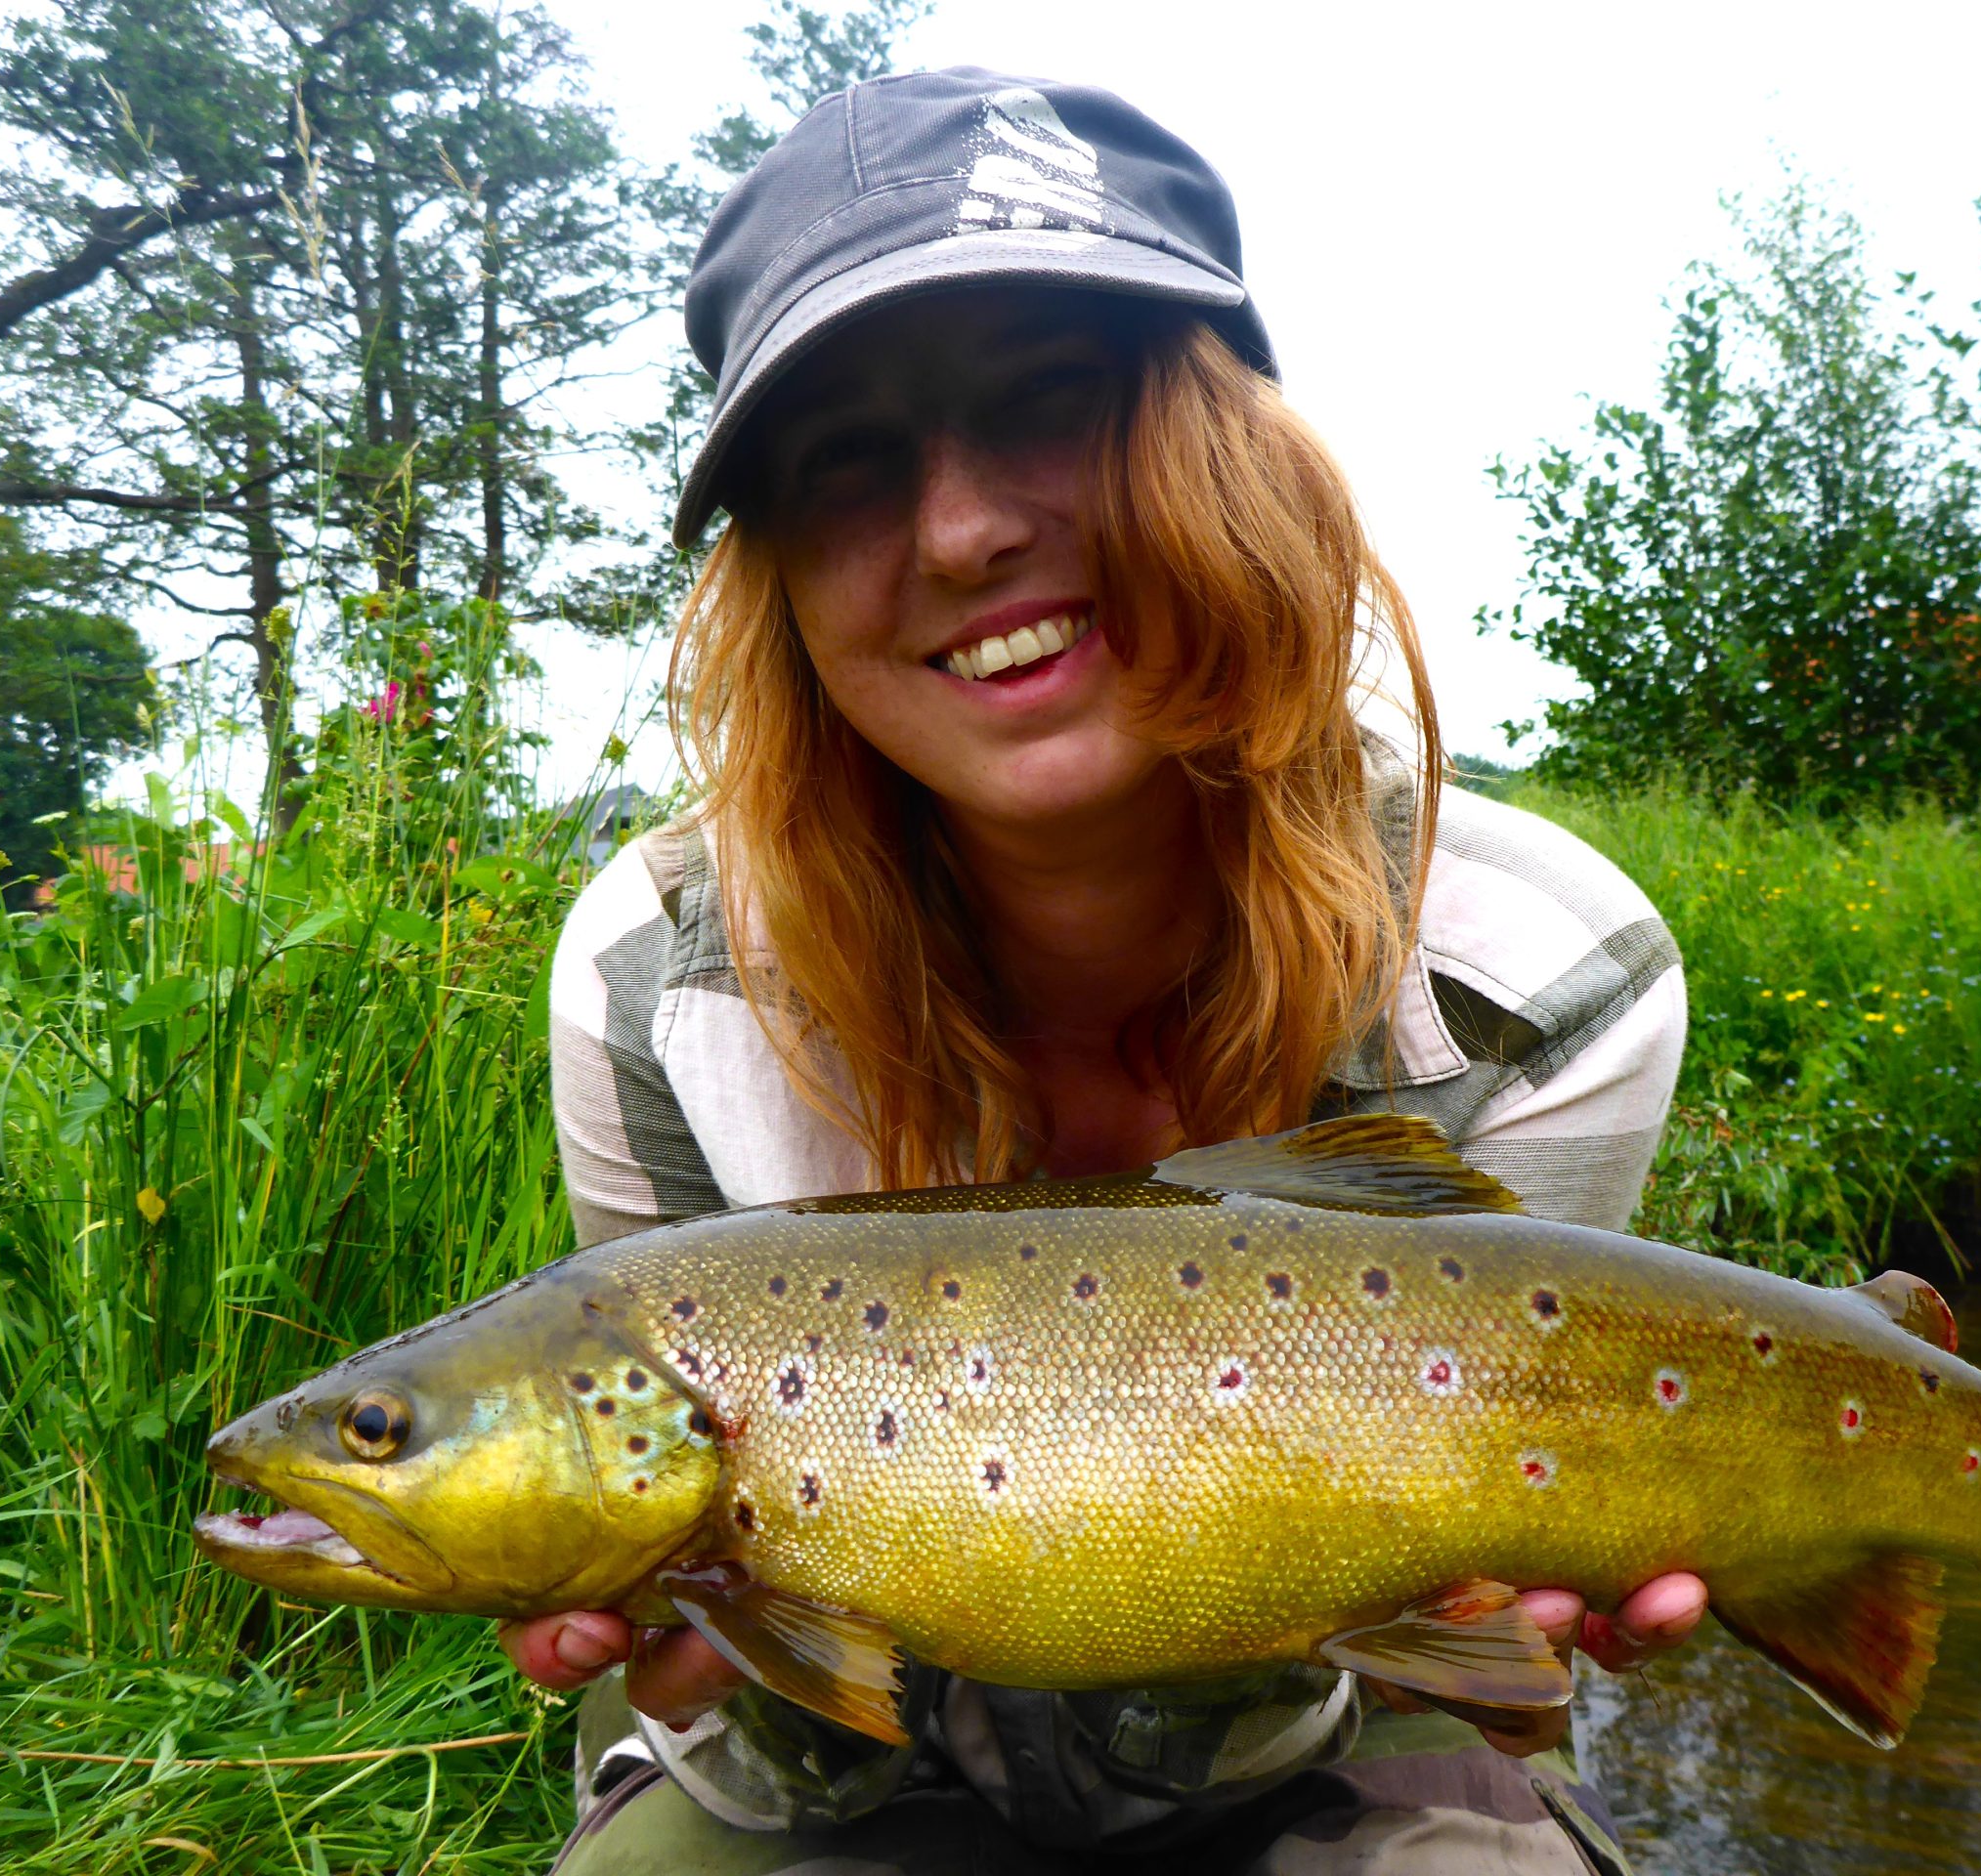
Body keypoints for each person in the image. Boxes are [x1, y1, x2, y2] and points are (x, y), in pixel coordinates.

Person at [507, 66, 1704, 1876]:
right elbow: (704, 1618)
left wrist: (1506, 1599)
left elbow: (1447, 1661)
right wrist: (678, 1620)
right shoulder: (649, 982)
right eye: (844, 457)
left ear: (1226, 450)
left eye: (1049, 401)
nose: (965, 529)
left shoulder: (1546, 982)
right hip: (827, 1770)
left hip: (1313, 1746)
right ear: (771, 575)